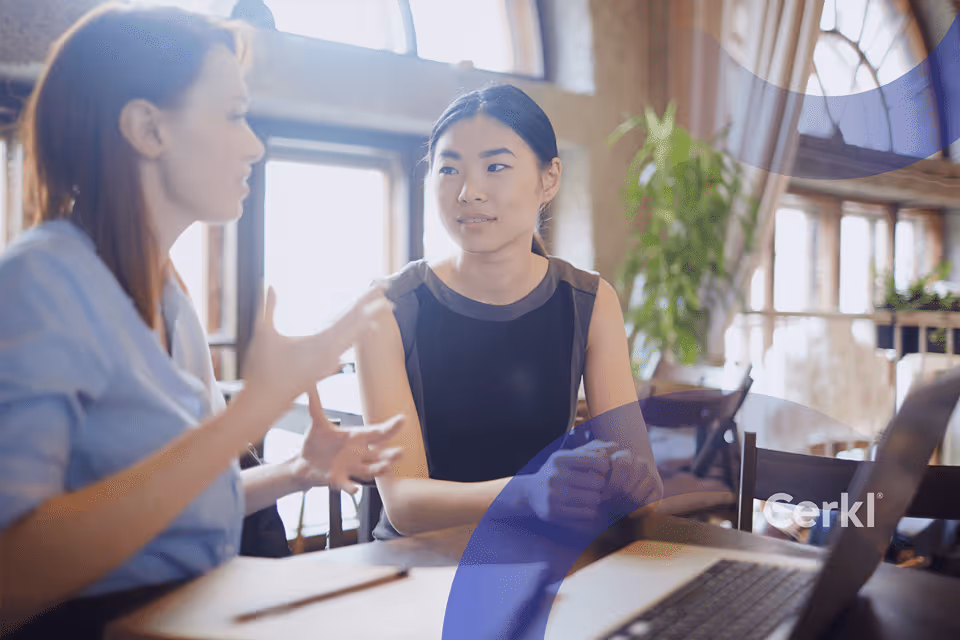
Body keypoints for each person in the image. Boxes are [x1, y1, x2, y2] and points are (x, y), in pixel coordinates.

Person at [0, 5, 403, 638]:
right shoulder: (37, 284)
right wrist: (255, 408)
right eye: (235, 115)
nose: (256, 144)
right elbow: (12, 574)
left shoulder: (169, 298)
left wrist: (298, 471)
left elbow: (161, 512)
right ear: (147, 129)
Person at [356, 84, 663, 540]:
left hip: (543, 562)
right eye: (449, 169)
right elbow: (404, 503)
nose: (468, 192)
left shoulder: (591, 301)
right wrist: (530, 494)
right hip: (420, 568)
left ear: (549, 179)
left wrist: (628, 480)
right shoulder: (386, 308)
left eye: (495, 166)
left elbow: (641, 479)